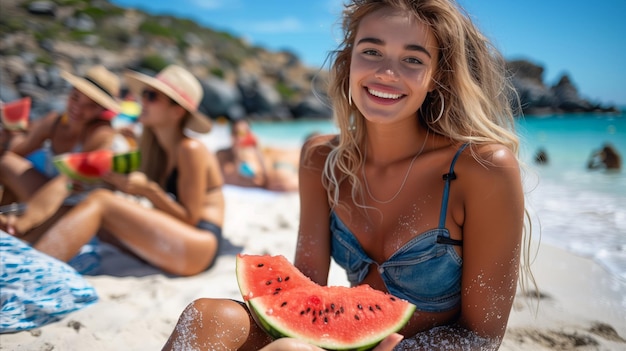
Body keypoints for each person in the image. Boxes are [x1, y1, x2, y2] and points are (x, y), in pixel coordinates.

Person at [162, 0, 533, 350]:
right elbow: (306, 288)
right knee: (207, 317)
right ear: (349, 61)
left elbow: (482, 338)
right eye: (371, 51)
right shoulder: (322, 159)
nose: (387, 73)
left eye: (412, 60)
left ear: (437, 76)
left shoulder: (482, 168)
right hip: (337, 339)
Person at [25, 64, 225, 276]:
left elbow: (190, 218)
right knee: (80, 211)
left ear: (177, 111)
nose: (142, 101)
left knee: (101, 201)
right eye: (144, 94)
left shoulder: (190, 149)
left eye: (152, 97)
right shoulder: (154, 148)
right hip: (177, 240)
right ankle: (23, 245)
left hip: (200, 245)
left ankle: (34, 274)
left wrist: (148, 191)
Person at [0, 65, 121, 239]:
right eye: (75, 98)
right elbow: (18, 153)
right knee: (5, 162)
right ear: (69, 93)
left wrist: (23, 223)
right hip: (48, 197)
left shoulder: (101, 134)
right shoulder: (55, 122)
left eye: (90, 105)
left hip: (81, 208)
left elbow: (68, 182)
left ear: (102, 110)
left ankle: (16, 230)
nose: (78, 108)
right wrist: (7, 138)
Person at [217, 119, 302, 192]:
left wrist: (257, 151)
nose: (239, 137)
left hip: (281, 167)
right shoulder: (222, 155)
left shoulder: (254, 154)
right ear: (231, 135)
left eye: (243, 133)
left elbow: (264, 179)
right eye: (236, 133)